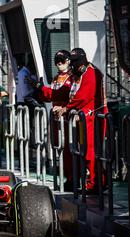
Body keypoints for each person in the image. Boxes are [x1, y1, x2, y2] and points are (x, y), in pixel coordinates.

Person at [61, 48, 108, 192]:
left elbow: (83, 95)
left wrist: (67, 108)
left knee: (91, 152)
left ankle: (96, 184)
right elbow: (69, 93)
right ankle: (93, 182)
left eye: (75, 61)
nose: (73, 65)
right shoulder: (80, 73)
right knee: (84, 151)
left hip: (93, 117)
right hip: (85, 118)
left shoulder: (91, 73)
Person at [37, 50, 74, 189]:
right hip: (56, 119)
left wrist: (44, 89)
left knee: (70, 149)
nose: (59, 63)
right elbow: (49, 96)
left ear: (69, 61)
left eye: (62, 60)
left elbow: (62, 94)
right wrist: (39, 91)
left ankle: (72, 179)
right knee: (60, 148)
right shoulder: (56, 78)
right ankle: (67, 178)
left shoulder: (71, 78)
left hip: (68, 119)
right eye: (56, 60)